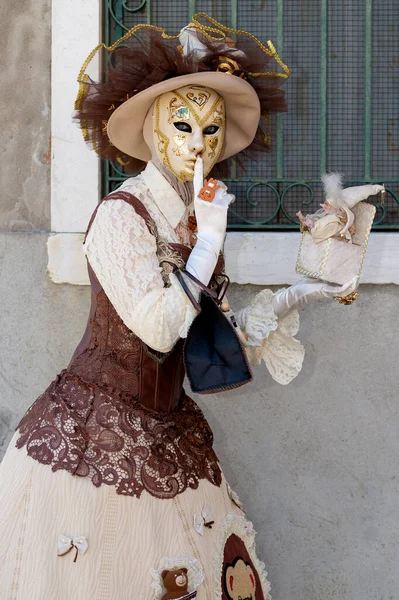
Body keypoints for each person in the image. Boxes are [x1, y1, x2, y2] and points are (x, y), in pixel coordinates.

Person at [0, 15, 358, 599]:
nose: (199, 143)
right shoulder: (121, 216)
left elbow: (210, 335)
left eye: (212, 129)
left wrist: (309, 287)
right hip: (92, 439)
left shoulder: (192, 220)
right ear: (153, 128)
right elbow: (160, 326)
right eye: (185, 124)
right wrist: (212, 239)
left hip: (170, 429)